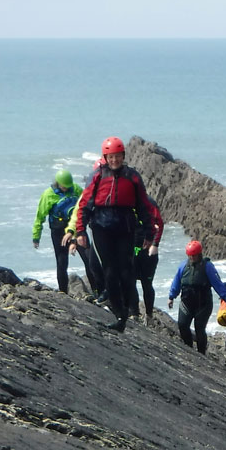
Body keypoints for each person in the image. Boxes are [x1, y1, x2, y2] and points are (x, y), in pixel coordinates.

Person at [63, 137, 155, 332]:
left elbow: (143, 206)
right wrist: (80, 231)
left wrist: (149, 232)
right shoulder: (97, 176)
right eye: (111, 157)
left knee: (126, 270)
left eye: (118, 156)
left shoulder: (133, 176)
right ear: (105, 157)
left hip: (125, 226)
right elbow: (85, 204)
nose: (115, 160)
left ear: (123, 156)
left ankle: (128, 310)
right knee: (110, 271)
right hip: (101, 227)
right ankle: (120, 315)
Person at [32, 170, 96, 294]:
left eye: (68, 186)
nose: (66, 189)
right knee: (62, 262)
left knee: (89, 259)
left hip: (77, 229)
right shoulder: (48, 195)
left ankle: (96, 290)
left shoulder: (75, 189)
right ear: (57, 183)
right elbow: (40, 217)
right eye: (63, 186)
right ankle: (63, 293)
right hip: (59, 232)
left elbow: (86, 204)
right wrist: (36, 236)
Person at [168, 240, 226, 354]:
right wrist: (171, 297)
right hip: (186, 303)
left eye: (194, 255)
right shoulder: (183, 266)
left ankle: (201, 353)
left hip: (203, 305)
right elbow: (176, 282)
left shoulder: (208, 267)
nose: (191, 257)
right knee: (182, 325)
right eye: (190, 255)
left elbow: (218, 284)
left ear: (199, 254)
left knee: (199, 328)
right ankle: (189, 348)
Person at [128, 195, 164, 318]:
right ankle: (134, 313)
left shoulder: (149, 203)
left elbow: (160, 224)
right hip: (131, 248)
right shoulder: (126, 201)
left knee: (146, 284)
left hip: (147, 250)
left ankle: (149, 315)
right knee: (130, 282)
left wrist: (155, 244)